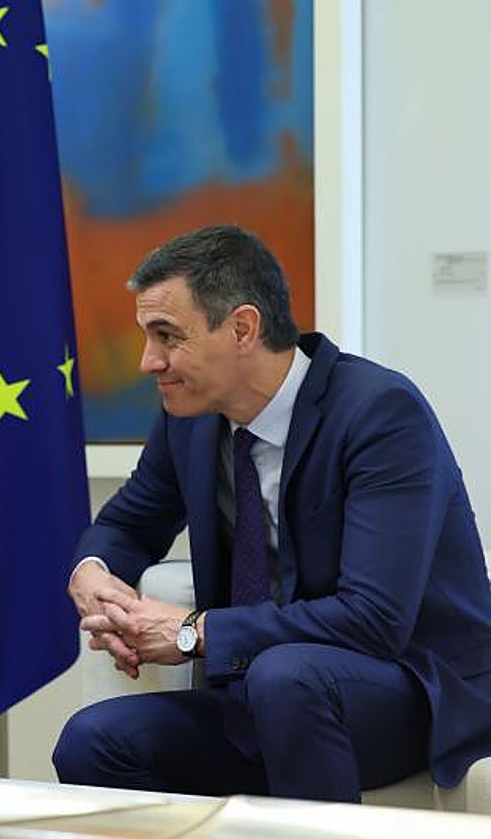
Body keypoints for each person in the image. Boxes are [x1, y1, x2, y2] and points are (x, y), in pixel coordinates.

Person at [52, 225, 491, 802]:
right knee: (92, 741)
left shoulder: (380, 414)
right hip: (263, 693)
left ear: (242, 328)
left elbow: (374, 620)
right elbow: (129, 525)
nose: (147, 361)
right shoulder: (188, 420)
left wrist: (193, 632)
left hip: (412, 690)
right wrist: (92, 575)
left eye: (167, 336)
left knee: (286, 677)